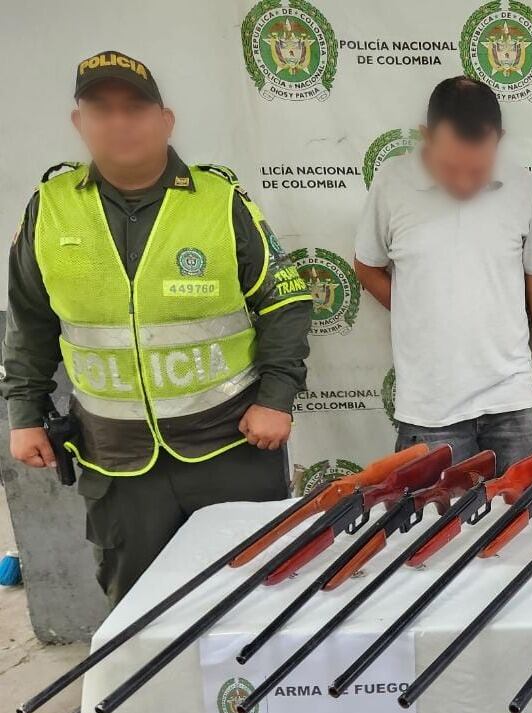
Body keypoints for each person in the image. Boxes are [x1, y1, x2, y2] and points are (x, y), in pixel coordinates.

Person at [2, 51, 313, 605]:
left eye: (135, 108)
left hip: (230, 448)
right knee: (141, 610)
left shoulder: (221, 202)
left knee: (257, 600)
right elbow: (29, 321)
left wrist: (277, 398)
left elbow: (284, 301)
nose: (119, 122)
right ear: (79, 123)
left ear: (165, 121)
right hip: (116, 461)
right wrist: (24, 413)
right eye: (102, 109)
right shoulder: (49, 209)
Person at [354, 76, 532, 474]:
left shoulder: (520, 185)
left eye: (478, 167)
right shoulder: (392, 185)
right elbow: (367, 265)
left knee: (520, 511)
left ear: (499, 140)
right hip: (430, 409)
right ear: (426, 137)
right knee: (435, 514)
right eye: (452, 166)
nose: (465, 182)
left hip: (511, 402)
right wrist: (416, 311)